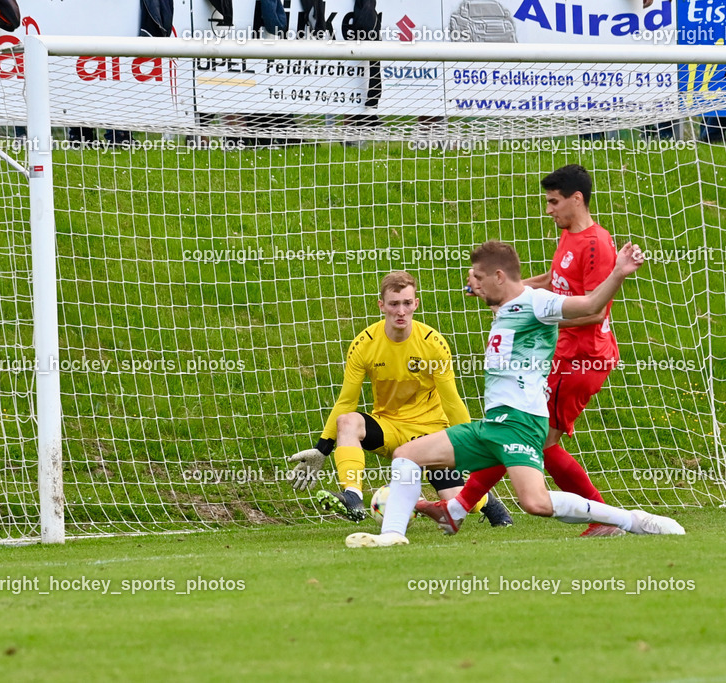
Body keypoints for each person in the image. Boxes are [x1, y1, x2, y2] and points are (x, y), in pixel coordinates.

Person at [345, 242, 685, 548]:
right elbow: (513, 288)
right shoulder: (505, 303)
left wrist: (619, 272)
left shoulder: (539, 304)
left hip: (522, 422)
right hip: (494, 423)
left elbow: (592, 303)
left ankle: (632, 520)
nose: (472, 283)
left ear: (497, 276)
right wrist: (481, 286)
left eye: (478, 277)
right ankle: (392, 535)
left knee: (534, 503)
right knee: (406, 454)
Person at [439, 165, 630, 538]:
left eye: (554, 202)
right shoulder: (569, 237)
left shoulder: (595, 245)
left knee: (535, 441)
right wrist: (504, 291)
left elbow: (595, 310)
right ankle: (456, 508)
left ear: (577, 199)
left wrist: (527, 318)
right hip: (561, 356)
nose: (548, 209)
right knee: (519, 437)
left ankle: (604, 518)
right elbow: (549, 281)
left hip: (582, 358)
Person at [287, 271, 512, 526]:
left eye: (407, 303)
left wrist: (472, 444)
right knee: (347, 421)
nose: (401, 311)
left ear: (416, 303)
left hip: (431, 433)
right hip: (390, 428)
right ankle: (353, 496)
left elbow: (451, 402)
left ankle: (490, 505)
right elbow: (346, 401)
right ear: (381, 305)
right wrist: (322, 448)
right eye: (394, 304)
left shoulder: (433, 343)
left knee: (456, 500)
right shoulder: (364, 344)